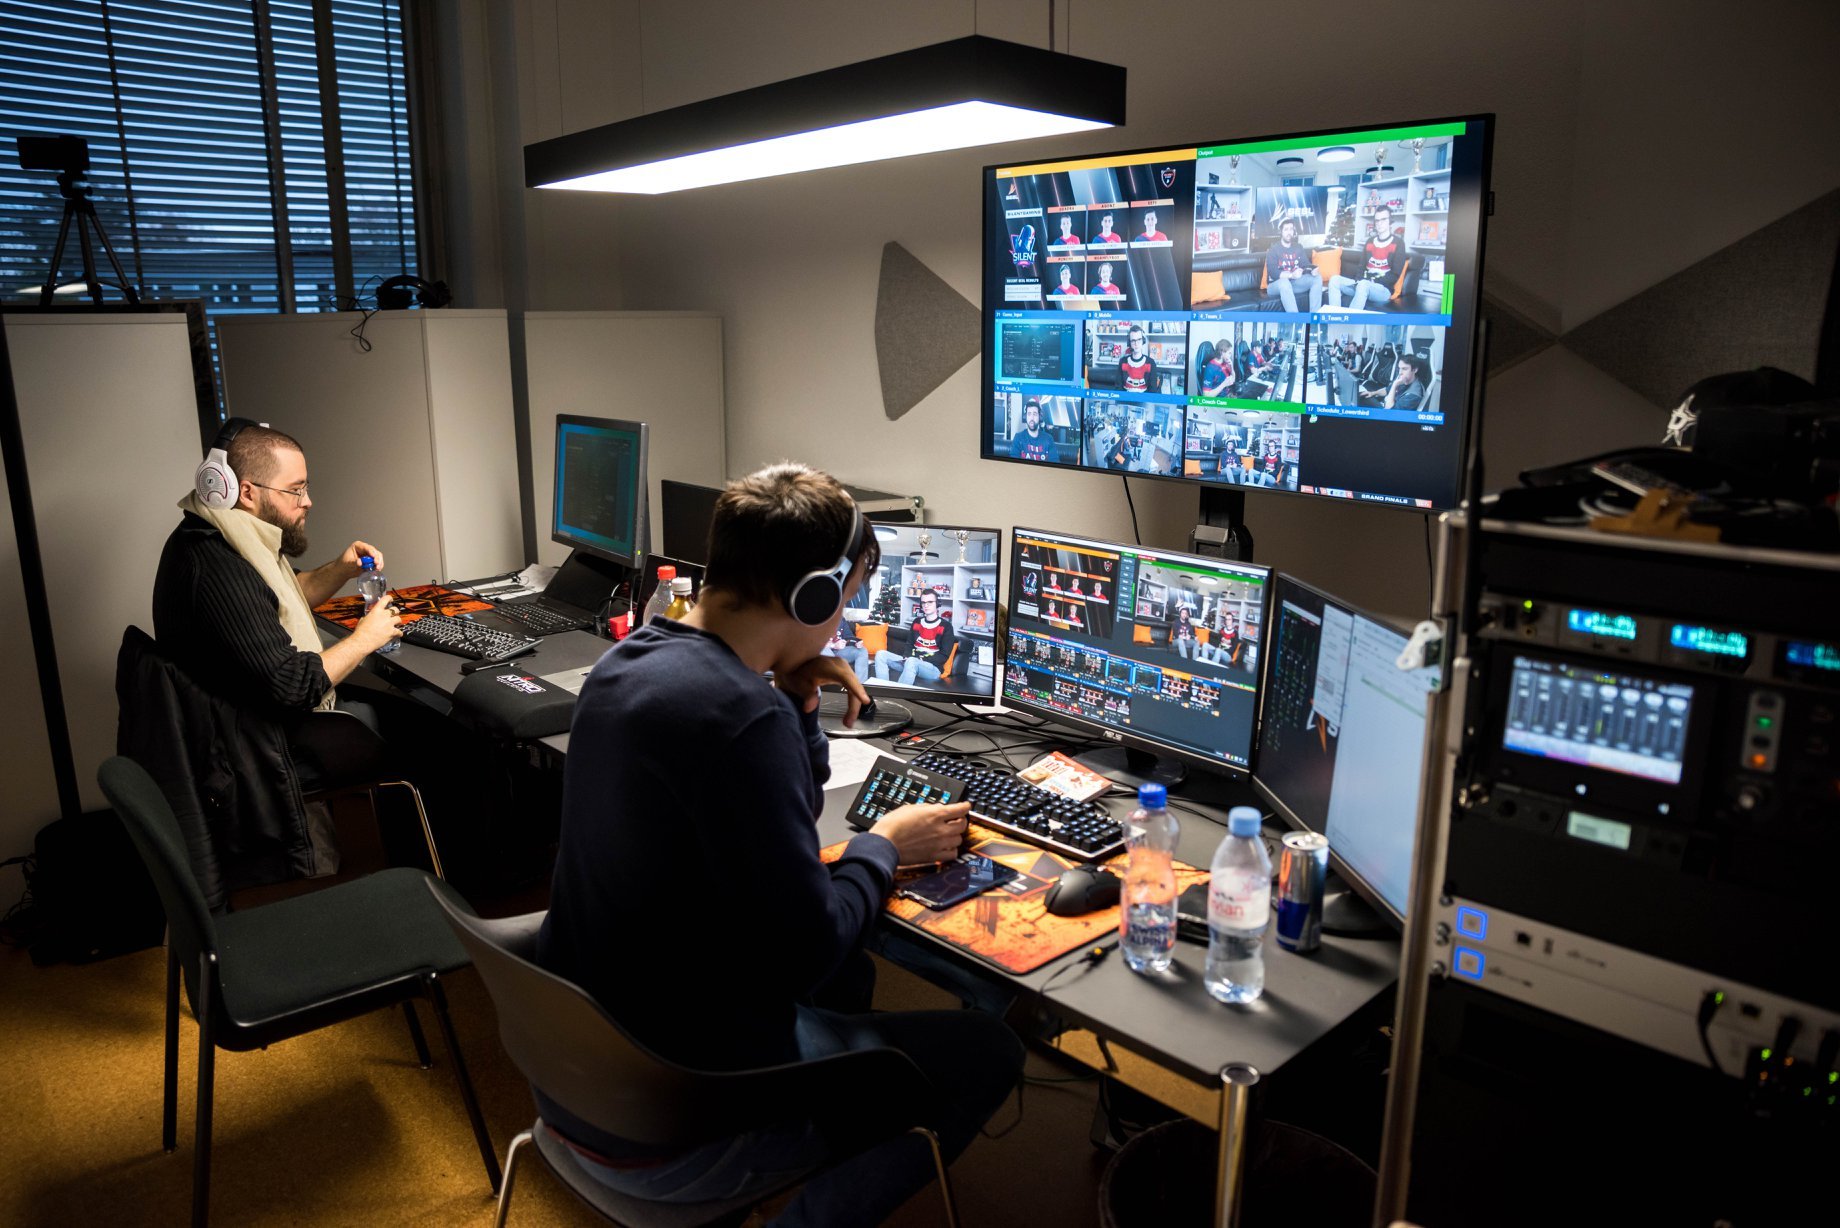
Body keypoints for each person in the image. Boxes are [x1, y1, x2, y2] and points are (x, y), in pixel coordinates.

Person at [538, 463, 1020, 1226]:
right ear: (815, 596)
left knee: (854, 977)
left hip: (582, 1071)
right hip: (677, 1121)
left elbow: (778, 812)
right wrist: (884, 845)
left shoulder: (629, 665)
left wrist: (795, 698)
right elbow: (809, 951)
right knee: (987, 1052)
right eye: (847, 597)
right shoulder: (738, 719)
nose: (843, 618)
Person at [151, 422, 494, 880]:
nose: (307, 501)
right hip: (262, 750)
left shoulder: (216, 532)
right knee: (448, 739)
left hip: (258, 723)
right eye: (295, 490)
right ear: (244, 491)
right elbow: (293, 687)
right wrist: (365, 638)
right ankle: (456, 883)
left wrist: (339, 569)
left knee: (426, 715)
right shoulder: (217, 567)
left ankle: (422, 868)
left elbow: (279, 596)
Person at [874, 588, 959, 687]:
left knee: (912, 661)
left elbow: (943, 656)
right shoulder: (916, 622)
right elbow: (909, 644)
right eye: (923, 602)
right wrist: (906, 656)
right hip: (911, 662)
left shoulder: (946, 626)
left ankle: (898, 693)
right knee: (881, 654)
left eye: (930, 602)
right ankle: (884, 689)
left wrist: (919, 659)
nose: (926, 605)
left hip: (932, 669)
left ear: (938, 603)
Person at [1329, 205, 1408, 310]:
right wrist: (1358, 281)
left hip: (1383, 290)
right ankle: (1335, 316)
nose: (1379, 223)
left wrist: (1371, 282)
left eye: (1383, 219)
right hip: (1362, 285)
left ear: (1390, 221)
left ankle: (1351, 320)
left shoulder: (1398, 243)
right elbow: (1361, 267)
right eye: (1377, 220)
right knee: (1334, 280)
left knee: (1363, 285)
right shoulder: (1370, 241)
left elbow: (1395, 274)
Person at [1264, 218, 1324, 313]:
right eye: (1286, 229)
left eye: (1291, 229)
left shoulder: (1298, 247)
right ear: (1281, 232)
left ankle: (1314, 317)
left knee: (1317, 278)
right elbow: (1273, 272)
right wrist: (1291, 275)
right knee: (1284, 282)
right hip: (1275, 286)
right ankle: (1295, 319)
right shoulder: (1273, 249)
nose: (1289, 232)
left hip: (1294, 284)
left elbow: (1305, 264)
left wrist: (1312, 269)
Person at [1117, 325, 1157, 394]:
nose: (1136, 343)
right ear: (1129, 343)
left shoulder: (1151, 362)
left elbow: (1153, 391)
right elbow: (1118, 388)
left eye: (1139, 339)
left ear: (1143, 340)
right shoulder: (1122, 361)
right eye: (1133, 340)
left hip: (1144, 399)